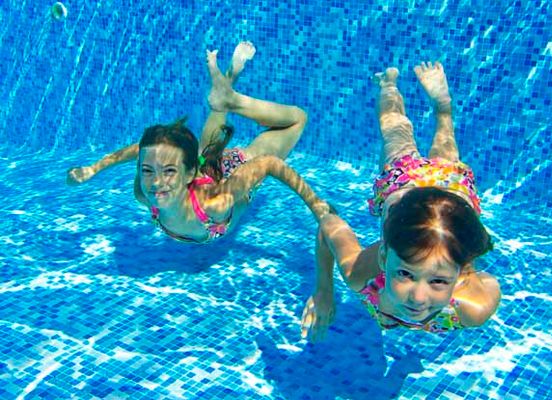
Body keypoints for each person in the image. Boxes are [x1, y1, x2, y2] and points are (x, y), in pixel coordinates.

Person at [301, 62, 500, 341]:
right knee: (394, 130)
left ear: (459, 276)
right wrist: (324, 291)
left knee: (433, 145)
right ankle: (388, 83)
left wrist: (464, 267)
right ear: (383, 257)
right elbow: (327, 227)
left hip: (436, 191)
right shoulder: (361, 273)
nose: (418, 297)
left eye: (439, 280)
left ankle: (442, 108)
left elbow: (489, 282)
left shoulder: (474, 308)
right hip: (418, 182)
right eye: (405, 273)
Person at [67, 42, 329, 243]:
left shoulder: (216, 204)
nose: (156, 182)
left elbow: (269, 164)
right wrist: (93, 169)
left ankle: (233, 98)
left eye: (168, 171)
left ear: (187, 172)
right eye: (148, 171)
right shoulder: (145, 194)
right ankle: (228, 85)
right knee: (208, 146)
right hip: (204, 166)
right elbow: (142, 151)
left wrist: (316, 205)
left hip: (233, 172)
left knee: (298, 120)